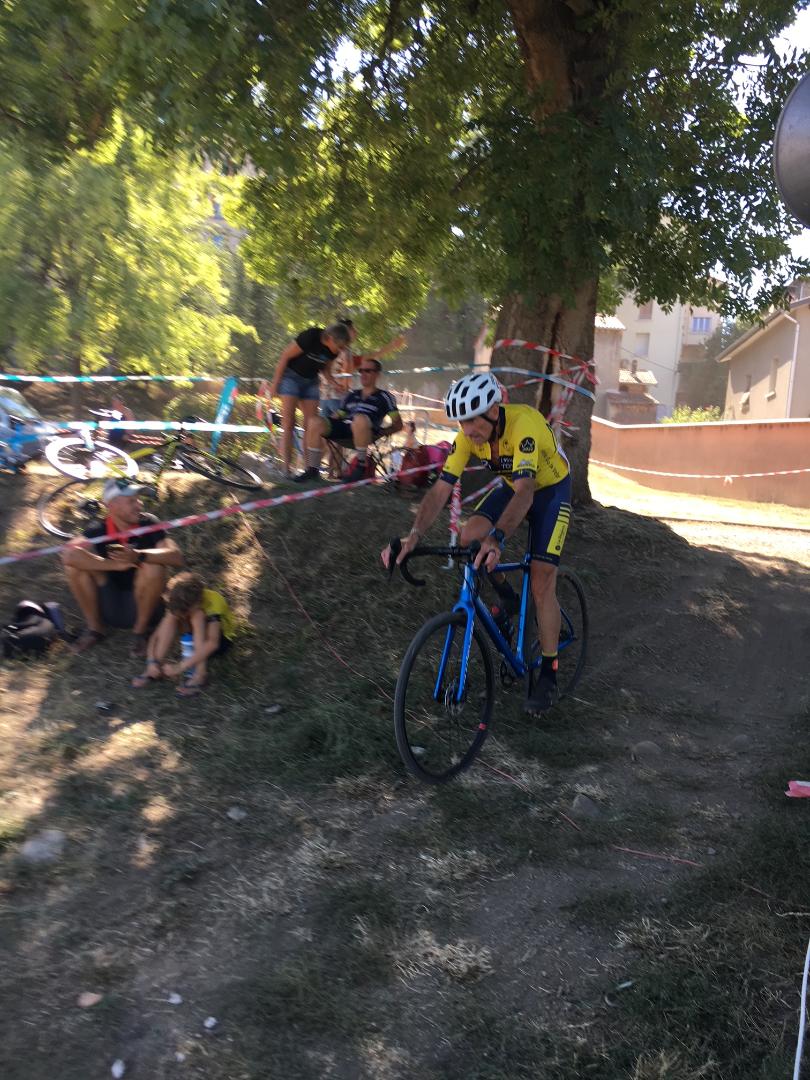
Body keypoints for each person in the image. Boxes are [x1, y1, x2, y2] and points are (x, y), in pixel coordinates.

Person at [380, 371, 571, 715]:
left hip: (549, 491)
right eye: (462, 422)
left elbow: (528, 492)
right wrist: (415, 535)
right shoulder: (466, 437)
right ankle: (508, 598)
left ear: (494, 410)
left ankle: (549, 671)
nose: (468, 430)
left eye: (472, 421)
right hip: (515, 486)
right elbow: (441, 489)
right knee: (469, 537)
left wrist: (498, 538)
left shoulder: (523, 425)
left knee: (542, 581)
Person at [62, 478, 185, 657]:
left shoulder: (148, 522)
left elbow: (176, 557)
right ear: (112, 506)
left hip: (147, 605)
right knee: (74, 567)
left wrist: (139, 556)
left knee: (154, 567)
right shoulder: (98, 528)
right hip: (111, 601)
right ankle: (95, 629)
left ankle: (140, 633)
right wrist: (114, 565)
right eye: (131, 501)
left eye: (138, 499)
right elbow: (69, 555)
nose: (139, 504)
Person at [294, 358, 403, 483]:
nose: (363, 374)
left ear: (377, 374)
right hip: (346, 429)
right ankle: (312, 470)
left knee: (359, 418)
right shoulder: (352, 395)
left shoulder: (385, 396)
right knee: (314, 421)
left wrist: (383, 432)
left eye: (367, 371)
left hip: (368, 431)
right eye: (361, 371)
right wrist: (324, 422)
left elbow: (398, 424)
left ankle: (361, 466)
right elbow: (339, 415)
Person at [131, 571, 236, 698]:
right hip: (195, 638)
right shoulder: (178, 602)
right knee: (171, 616)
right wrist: (151, 661)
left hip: (221, 641)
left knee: (198, 615)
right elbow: (155, 636)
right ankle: (153, 670)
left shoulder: (213, 600)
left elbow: (212, 643)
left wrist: (179, 667)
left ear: (198, 600)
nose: (183, 615)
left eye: (186, 612)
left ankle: (200, 675)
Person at [267, 323, 351, 477]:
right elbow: (285, 356)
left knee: (311, 424)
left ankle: (309, 470)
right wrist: (275, 384)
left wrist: (334, 383)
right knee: (289, 422)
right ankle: (286, 469)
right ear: (330, 339)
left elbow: (324, 368)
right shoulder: (310, 337)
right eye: (339, 347)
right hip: (290, 378)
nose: (340, 351)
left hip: (311, 381)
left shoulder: (333, 351)